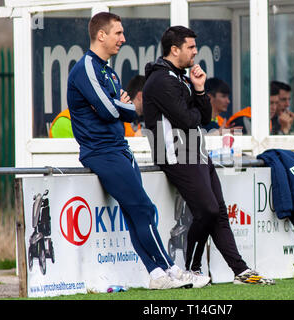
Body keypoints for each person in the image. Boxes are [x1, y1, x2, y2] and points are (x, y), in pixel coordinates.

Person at [66, 12, 208, 290]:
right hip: (102, 152)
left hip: (120, 148)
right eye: (118, 33)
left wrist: (117, 106)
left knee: (135, 214)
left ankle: (155, 273)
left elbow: (131, 112)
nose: (123, 38)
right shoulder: (86, 68)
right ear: (101, 35)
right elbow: (110, 111)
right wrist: (116, 105)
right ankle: (170, 268)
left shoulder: (109, 70)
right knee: (144, 209)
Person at [143, 25, 275, 285]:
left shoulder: (181, 77)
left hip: (196, 151)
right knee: (207, 210)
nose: (195, 52)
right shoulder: (160, 81)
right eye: (191, 47)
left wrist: (200, 89)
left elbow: (203, 117)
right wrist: (192, 114)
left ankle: (241, 271)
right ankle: (192, 269)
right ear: (174, 49)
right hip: (175, 154)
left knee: (218, 212)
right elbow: (189, 121)